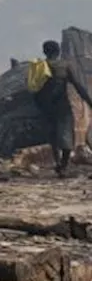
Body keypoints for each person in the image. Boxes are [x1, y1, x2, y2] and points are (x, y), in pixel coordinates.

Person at [32, 39, 92, 177]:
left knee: (53, 136)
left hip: (46, 107)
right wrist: (89, 101)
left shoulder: (40, 67)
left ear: (44, 51)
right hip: (62, 106)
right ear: (58, 51)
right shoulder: (64, 66)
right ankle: (63, 165)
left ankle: (59, 163)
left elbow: (34, 89)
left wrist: (39, 105)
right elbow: (78, 85)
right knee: (67, 137)